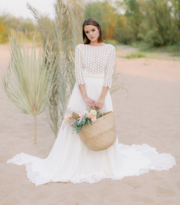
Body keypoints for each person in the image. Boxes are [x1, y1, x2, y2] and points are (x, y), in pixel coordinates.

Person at [7, 17, 176, 186]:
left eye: (93, 30)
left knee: (102, 126)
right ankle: (74, 163)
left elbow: (108, 74)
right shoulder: (81, 48)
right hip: (82, 91)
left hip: (101, 90)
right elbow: (78, 73)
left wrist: (102, 98)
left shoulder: (110, 49)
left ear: (99, 29)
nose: (90, 34)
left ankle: (102, 164)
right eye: (87, 32)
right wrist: (85, 96)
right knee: (75, 126)